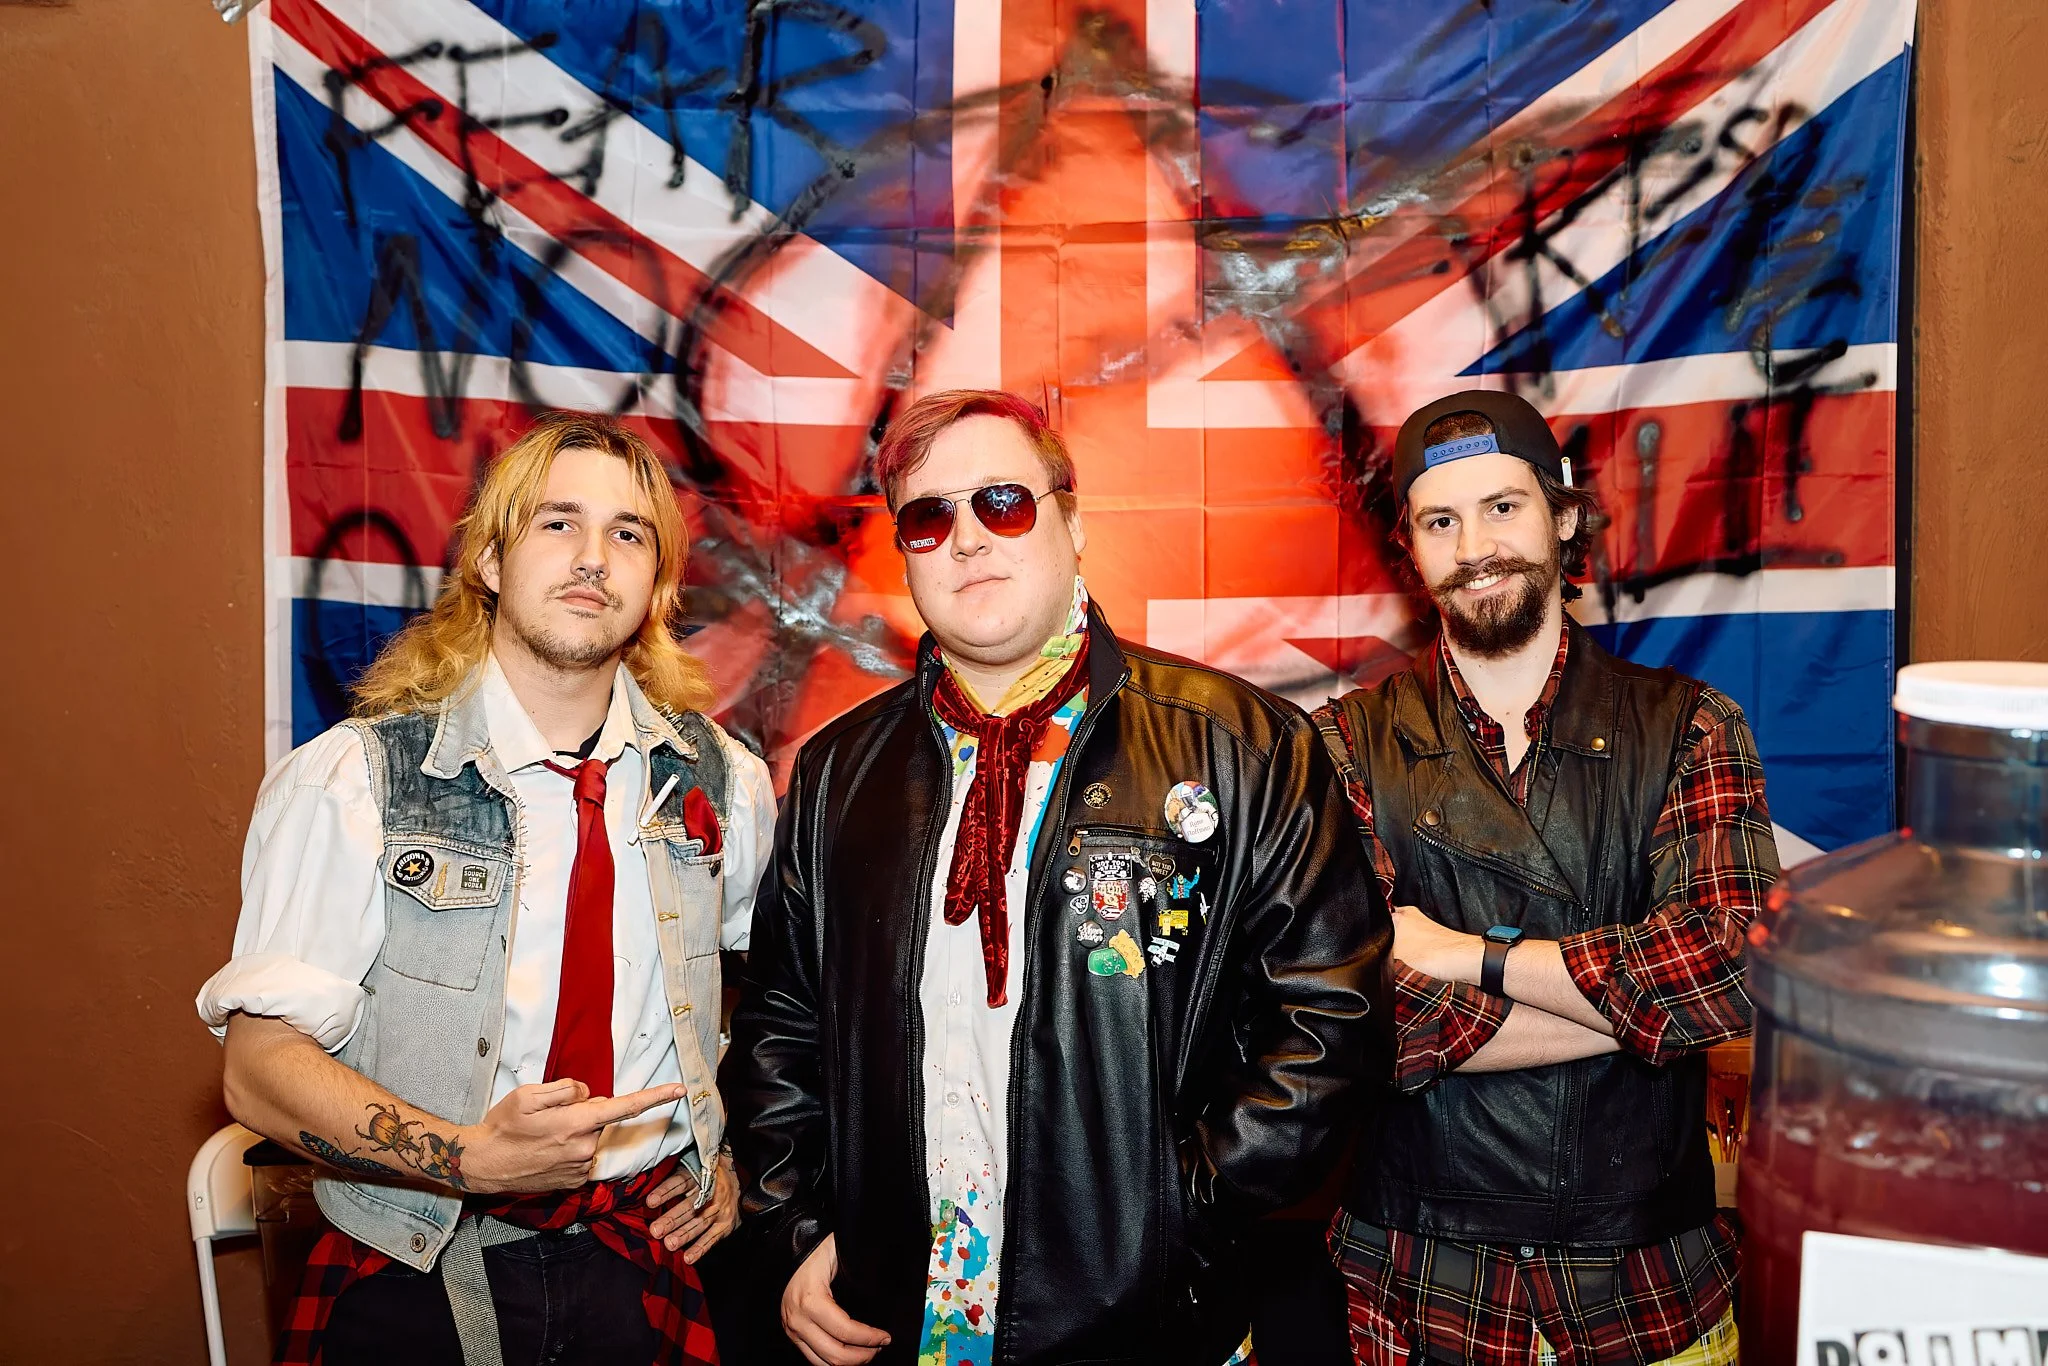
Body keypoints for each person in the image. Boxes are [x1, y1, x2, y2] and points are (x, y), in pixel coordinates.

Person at [720, 389, 1392, 1366]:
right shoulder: (835, 775)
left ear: (1069, 520)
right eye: (927, 515)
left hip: (1156, 1330)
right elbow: (782, 1024)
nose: (966, 538)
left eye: (1001, 501)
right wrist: (794, 1229)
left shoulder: (1239, 746)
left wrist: (1169, 1213)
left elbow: (1331, 1023)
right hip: (896, 1327)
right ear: (903, 550)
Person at [196, 413, 775, 1366]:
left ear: (659, 585)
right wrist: (468, 1159)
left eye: (628, 534)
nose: (594, 557)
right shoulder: (352, 781)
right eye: (558, 524)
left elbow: (773, 1003)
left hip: (643, 1257)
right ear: (493, 564)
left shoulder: (723, 785)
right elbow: (257, 1072)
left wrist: (729, 1147)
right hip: (416, 1268)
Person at [1313, 391, 1778, 1366]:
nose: (1474, 544)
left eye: (1502, 506)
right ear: (1410, 547)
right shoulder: (1339, 744)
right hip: (1413, 1285)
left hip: (1647, 1285)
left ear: (1563, 519)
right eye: (1441, 520)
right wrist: (1638, 1012)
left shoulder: (1692, 725)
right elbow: (1360, 1019)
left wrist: (1464, 954)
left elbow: (1728, 971)